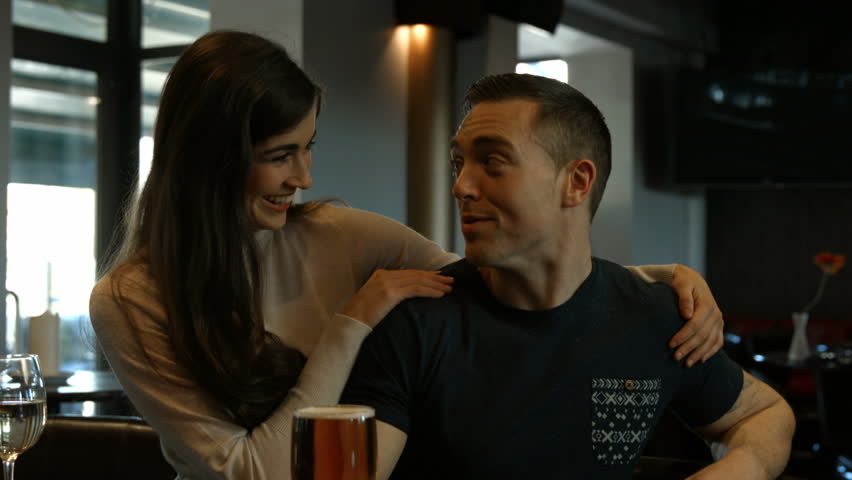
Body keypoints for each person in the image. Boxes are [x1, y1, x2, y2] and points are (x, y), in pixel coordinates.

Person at [89, 31, 725, 479]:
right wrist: (351, 325)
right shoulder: (130, 301)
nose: (305, 177)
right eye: (281, 156)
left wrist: (659, 282)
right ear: (210, 162)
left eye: (309, 148)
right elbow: (253, 473)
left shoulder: (342, 235)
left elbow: (511, 271)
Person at [340, 73, 795, 480]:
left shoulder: (656, 318)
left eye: (493, 161)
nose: (461, 186)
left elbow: (765, 414)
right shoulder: (417, 323)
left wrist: (740, 468)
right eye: (459, 164)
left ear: (577, 182)